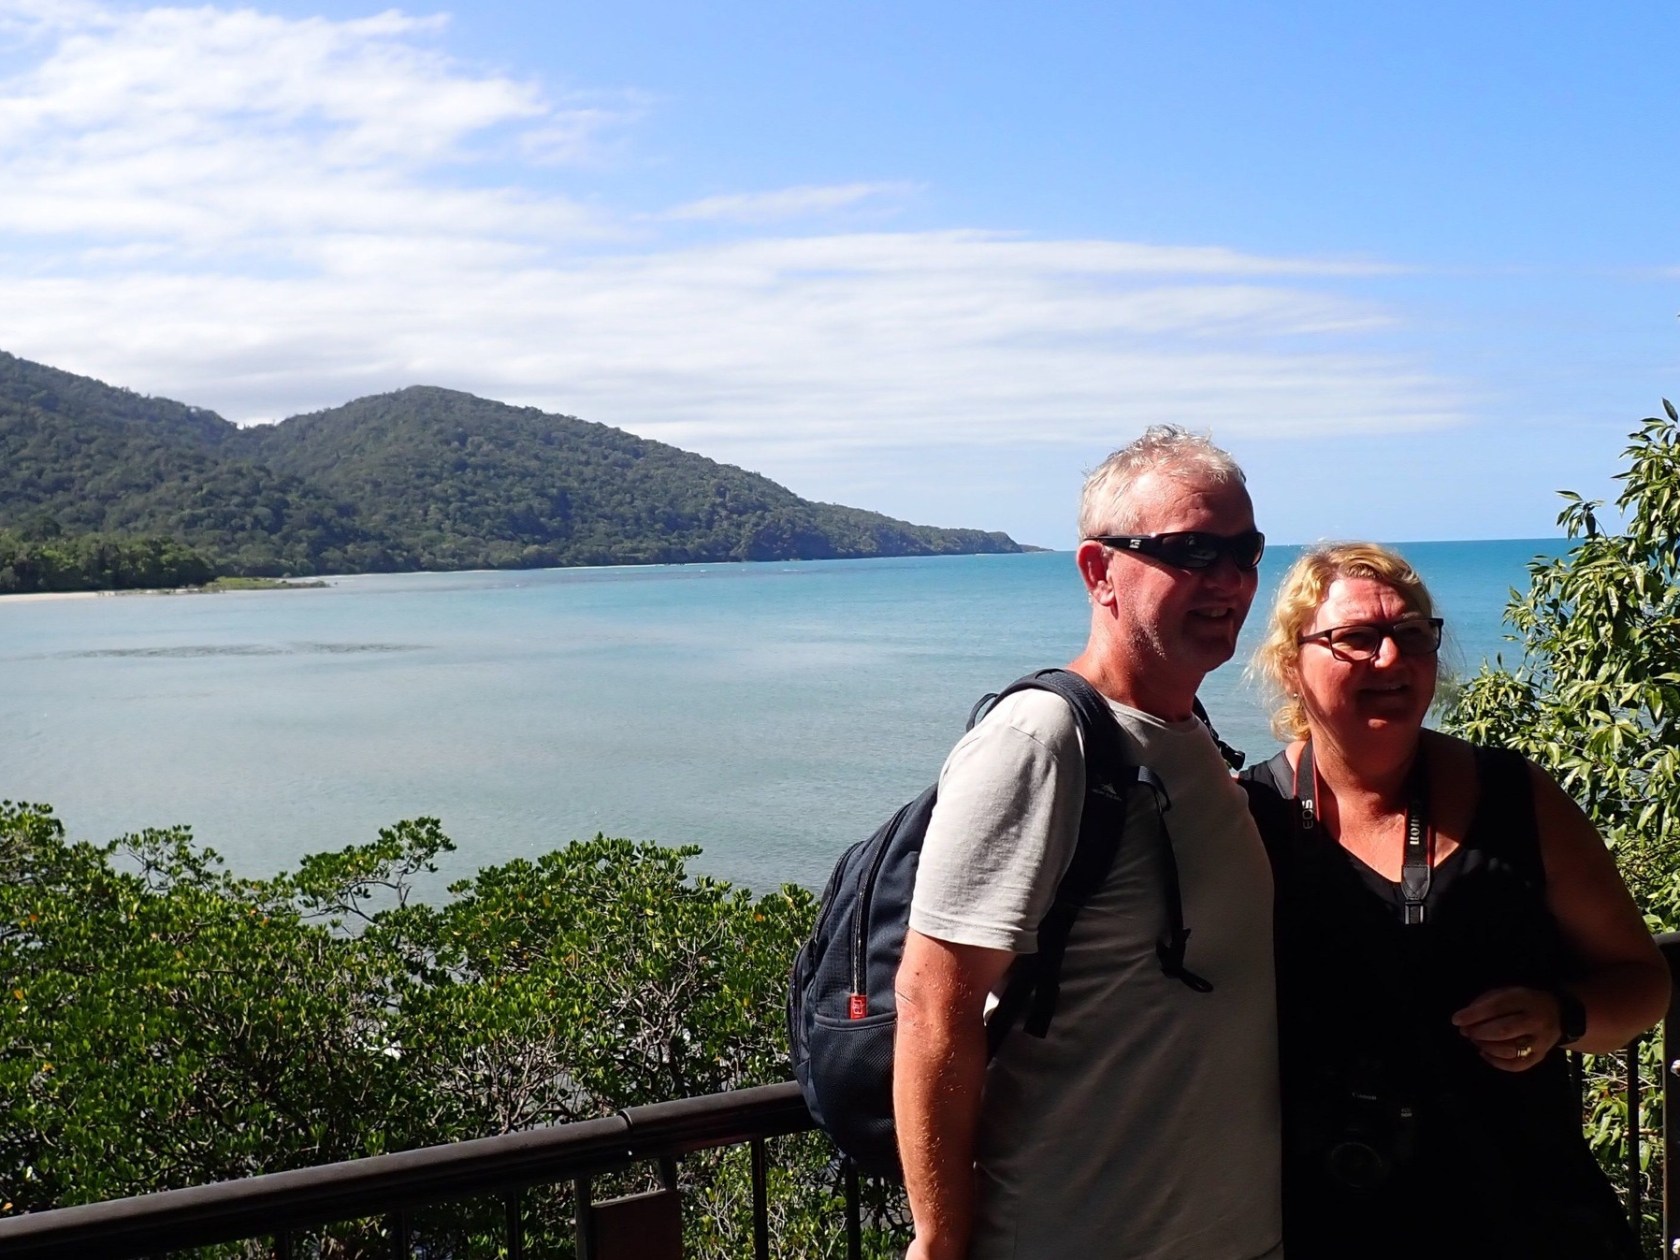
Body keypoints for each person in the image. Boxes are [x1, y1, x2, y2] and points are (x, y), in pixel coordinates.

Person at [893, 426, 1284, 1260]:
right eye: (1190, 551)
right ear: (1099, 571)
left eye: (1243, 551)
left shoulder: (1190, 737)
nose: (1228, 580)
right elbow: (933, 1002)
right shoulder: (1041, 740)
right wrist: (939, 1240)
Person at [1243, 541, 1669, 1260]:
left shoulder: (1519, 799)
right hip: (1328, 1220)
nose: (1390, 658)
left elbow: (1644, 981)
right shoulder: (1249, 816)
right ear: (1292, 665)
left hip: (1527, 1212)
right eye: (1356, 638)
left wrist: (1560, 1016)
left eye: (1412, 634)